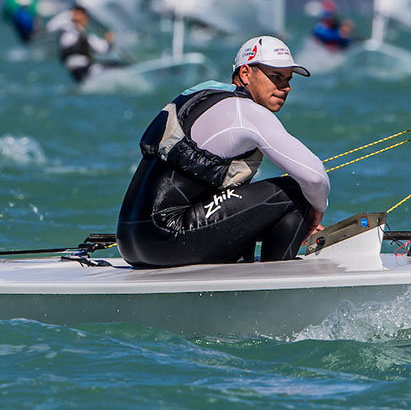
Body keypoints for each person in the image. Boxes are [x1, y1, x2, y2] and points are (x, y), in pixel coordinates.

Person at [116, 36, 329, 268]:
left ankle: (244, 269)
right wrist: (314, 212)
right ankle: (276, 281)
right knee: (296, 192)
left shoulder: (209, 96)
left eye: (288, 79)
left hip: (130, 241)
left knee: (251, 198)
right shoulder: (245, 111)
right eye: (276, 77)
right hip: (167, 237)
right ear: (245, 73)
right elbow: (314, 177)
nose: (285, 87)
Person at [57, 4, 115, 82]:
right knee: (116, 66)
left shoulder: (85, 36)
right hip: (83, 70)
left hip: (82, 72)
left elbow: (103, 49)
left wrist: (109, 41)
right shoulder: (67, 32)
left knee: (114, 65)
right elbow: (104, 49)